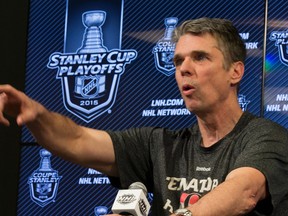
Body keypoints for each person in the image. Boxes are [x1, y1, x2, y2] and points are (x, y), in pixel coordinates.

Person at [0, 17, 288, 216]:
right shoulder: (159, 144)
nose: (183, 69)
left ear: (235, 72)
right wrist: (36, 115)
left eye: (200, 57)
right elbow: (77, 140)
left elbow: (243, 192)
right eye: (178, 61)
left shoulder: (265, 136)